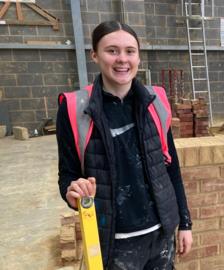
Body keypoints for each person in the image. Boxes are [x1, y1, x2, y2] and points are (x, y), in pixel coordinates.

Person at [56, 21, 192, 269]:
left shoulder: (156, 101)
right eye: (112, 50)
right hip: (113, 241)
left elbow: (171, 168)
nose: (122, 59)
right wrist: (73, 192)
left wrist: (184, 223)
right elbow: (68, 175)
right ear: (95, 55)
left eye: (130, 51)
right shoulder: (74, 109)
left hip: (161, 235)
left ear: (138, 57)